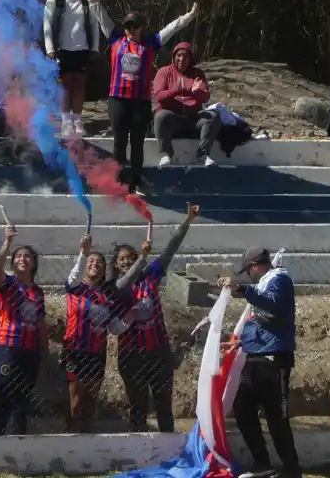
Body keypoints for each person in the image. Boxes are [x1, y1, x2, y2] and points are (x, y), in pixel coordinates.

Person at [112, 204, 200, 432]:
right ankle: (138, 450)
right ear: (115, 264)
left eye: (130, 257)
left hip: (158, 351)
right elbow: (123, 284)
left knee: (163, 403)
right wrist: (142, 257)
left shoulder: (151, 275)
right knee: (138, 405)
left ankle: (169, 449)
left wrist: (187, 220)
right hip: (131, 354)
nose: (126, 261)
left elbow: (171, 248)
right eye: (122, 259)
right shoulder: (115, 287)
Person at [217, 247, 301, 478]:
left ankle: (291, 468)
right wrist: (240, 343)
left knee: (277, 417)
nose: (249, 275)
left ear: (254, 266)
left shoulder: (278, 280)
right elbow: (261, 321)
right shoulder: (266, 283)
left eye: (248, 271)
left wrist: (241, 288)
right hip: (256, 357)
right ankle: (262, 462)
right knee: (243, 408)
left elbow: (272, 305)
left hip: (274, 359)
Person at [109, 6, 199, 189]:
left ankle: (135, 178)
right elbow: (102, 19)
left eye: (134, 26)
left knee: (137, 142)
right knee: (119, 141)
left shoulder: (150, 43)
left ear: (141, 27)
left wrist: (188, 16)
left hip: (140, 101)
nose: (130, 30)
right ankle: (117, 178)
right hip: (117, 98)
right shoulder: (116, 40)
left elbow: (171, 29)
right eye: (127, 26)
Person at [61, 234, 139, 433]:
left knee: (90, 401)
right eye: (91, 261)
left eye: (100, 262)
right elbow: (76, 272)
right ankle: (70, 438)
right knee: (75, 400)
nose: (95, 263)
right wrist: (84, 252)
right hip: (75, 350)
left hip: (97, 352)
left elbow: (113, 328)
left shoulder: (107, 295)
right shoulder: (75, 286)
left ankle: (87, 439)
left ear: (105, 269)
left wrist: (128, 318)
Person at [0, 224, 50, 435]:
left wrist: (45, 353)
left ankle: (17, 440)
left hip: (30, 350)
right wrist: (7, 243)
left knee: (22, 399)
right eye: (18, 256)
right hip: (7, 346)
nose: (22, 259)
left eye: (27, 256)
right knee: (4, 392)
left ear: (34, 263)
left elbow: (40, 323)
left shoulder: (38, 292)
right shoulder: (7, 283)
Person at [42, 0, 113, 138]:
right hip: (62, 49)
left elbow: (93, 25)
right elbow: (47, 25)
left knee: (80, 85)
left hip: (82, 48)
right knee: (65, 86)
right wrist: (50, 48)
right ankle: (66, 122)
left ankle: (77, 120)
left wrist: (95, 48)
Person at [153, 42, 221, 167]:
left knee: (213, 116)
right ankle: (166, 154)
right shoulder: (164, 72)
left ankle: (203, 155)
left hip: (192, 120)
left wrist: (194, 92)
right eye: (179, 55)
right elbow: (159, 96)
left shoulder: (198, 74)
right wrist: (175, 90)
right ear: (173, 56)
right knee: (161, 116)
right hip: (173, 121)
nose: (181, 59)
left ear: (191, 59)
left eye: (186, 56)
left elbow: (205, 97)